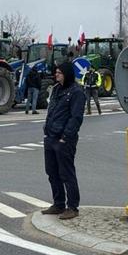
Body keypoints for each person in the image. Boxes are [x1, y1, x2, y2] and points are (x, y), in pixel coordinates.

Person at [40, 62, 86, 220]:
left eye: (59, 72)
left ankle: (72, 207)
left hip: (64, 140)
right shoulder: (56, 90)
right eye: (56, 72)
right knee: (52, 172)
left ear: (67, 74)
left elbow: (76, 118)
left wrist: (65, 137)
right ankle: (58, 204)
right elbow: (51, 111)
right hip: (50, 137)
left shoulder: (76, 92)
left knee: (66, 173)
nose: (56, 75)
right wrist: (46, 131)